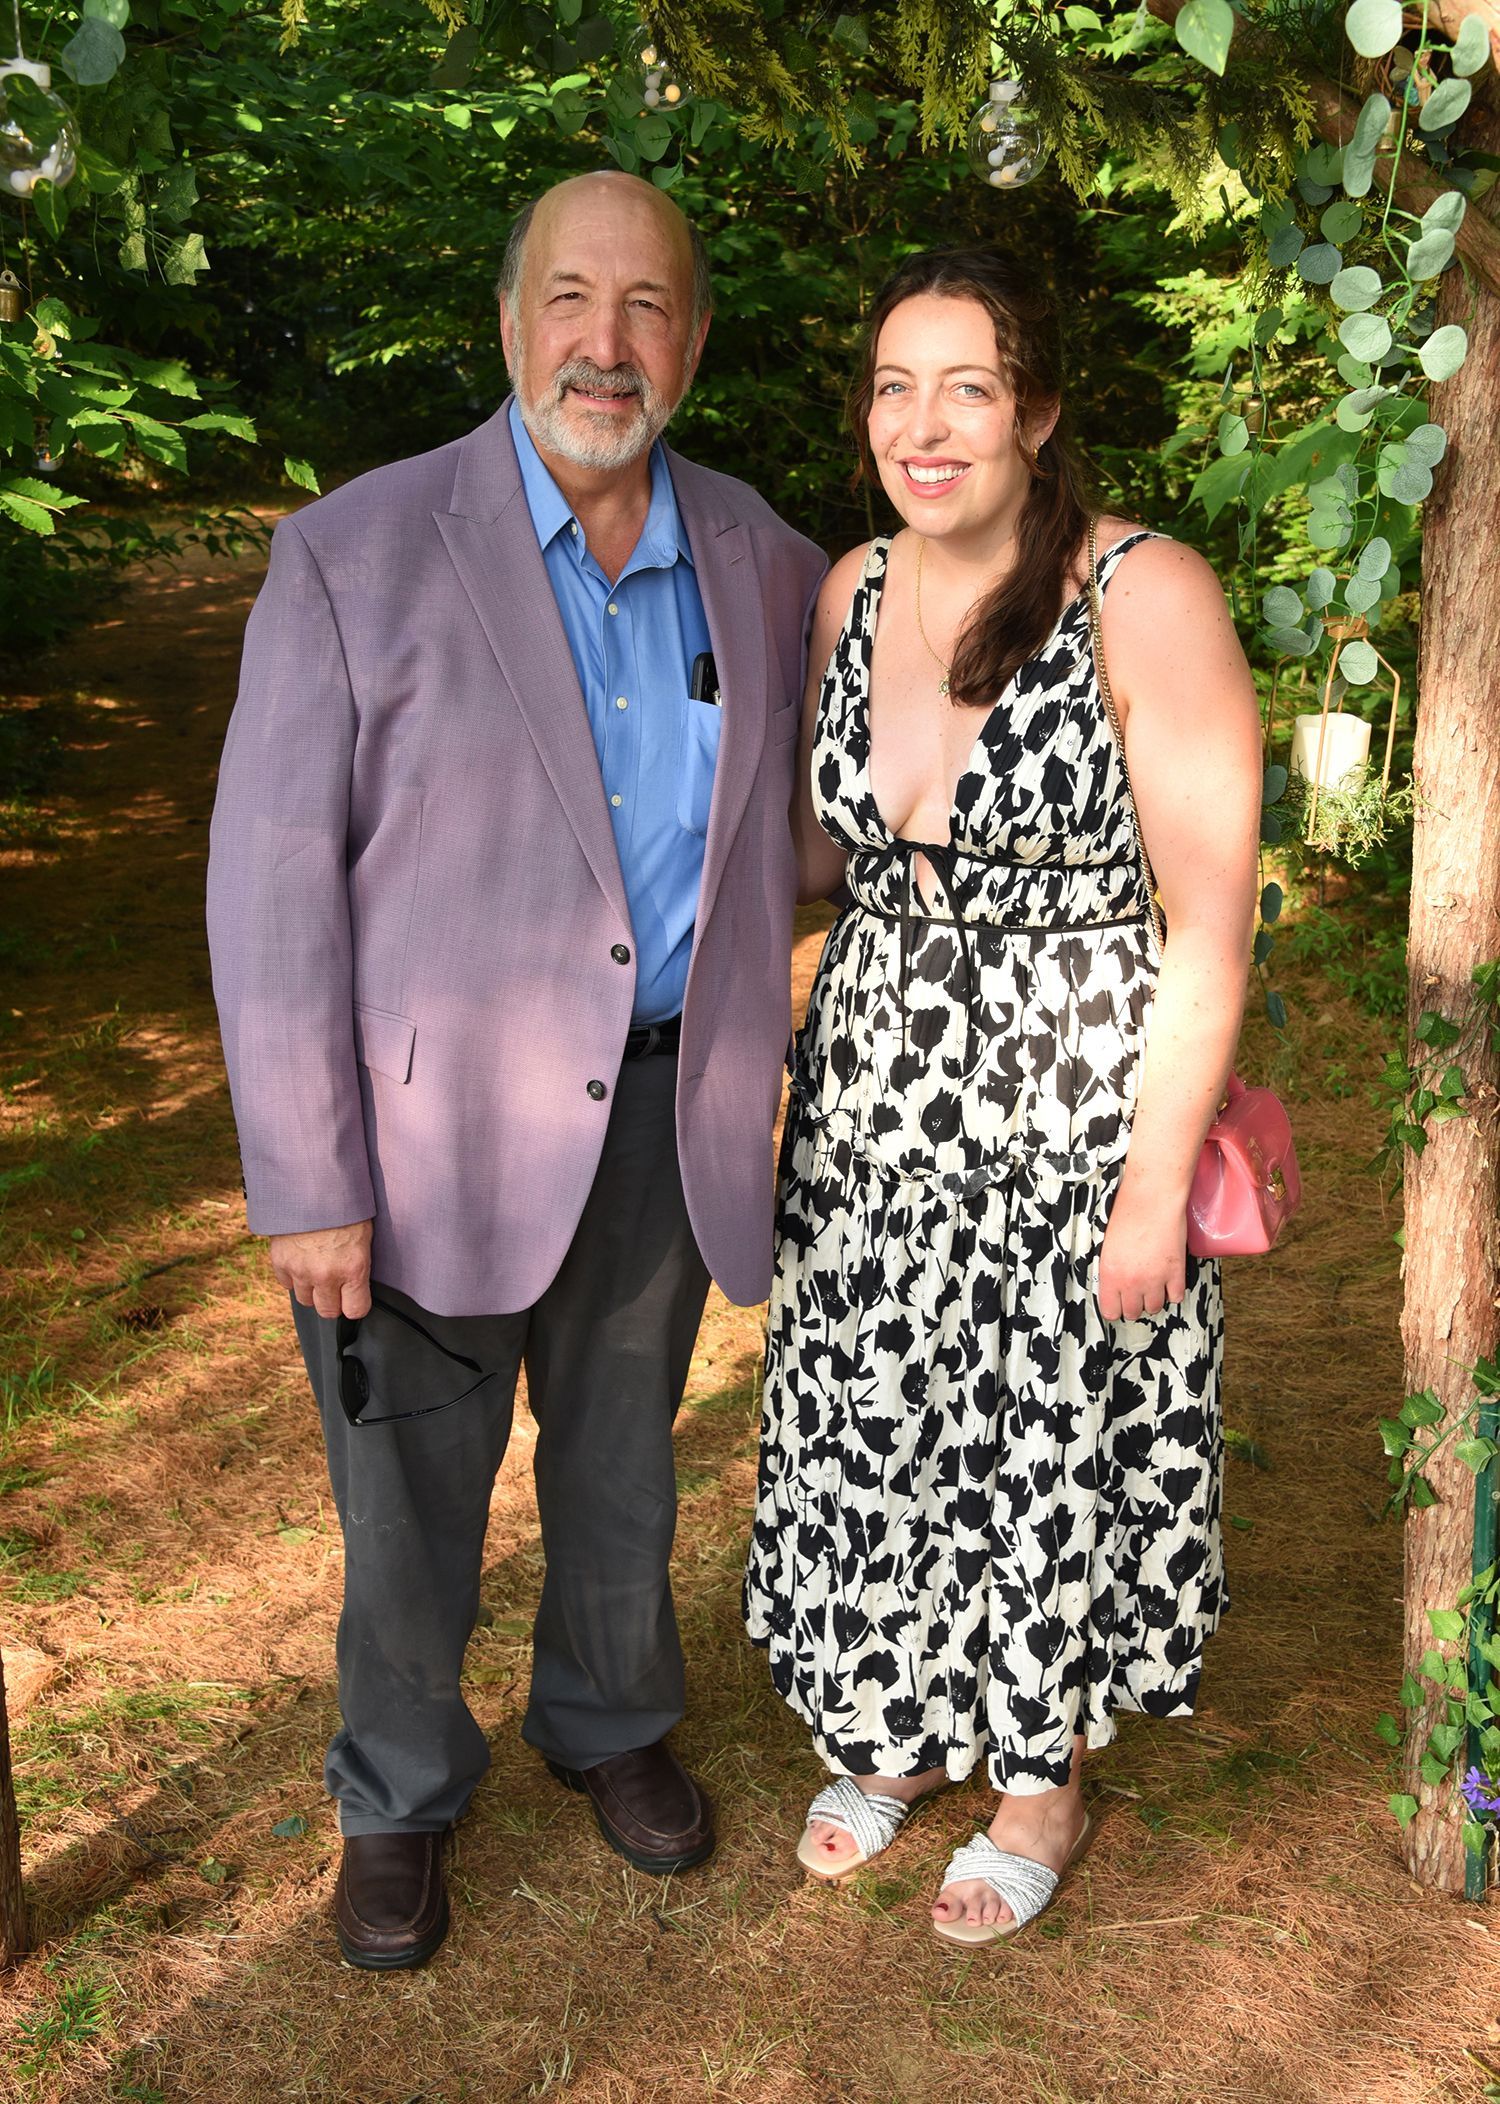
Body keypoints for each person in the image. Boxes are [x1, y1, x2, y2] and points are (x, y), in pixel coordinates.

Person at [207, 171, 825, 1970]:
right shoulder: (354, 554)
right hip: (425, 1142)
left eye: (646, 309)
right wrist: (308, 1175)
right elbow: (270, 890)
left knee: (625, 1463)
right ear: (509, 323)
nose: (606, 344)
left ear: (693, 344)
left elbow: (834, 799)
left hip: (665, 1111)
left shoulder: (761, 555)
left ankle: (609, 1720)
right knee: (407, 1501)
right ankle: (397, 1790)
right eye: (571, 299)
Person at [744, 247, 1261, 1947]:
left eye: (968, 384)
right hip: (876, 1087)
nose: (925, 421)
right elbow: (833, 857)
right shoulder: (850, 590)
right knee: (882, 1410)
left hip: (1070, 1094)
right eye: (895, 385)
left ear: (1036, 412)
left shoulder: (1141, 592)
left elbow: (1210, 917)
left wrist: (1146, 1181)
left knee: (1043, 1436)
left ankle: (1040, 1770)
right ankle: (892, 1725)